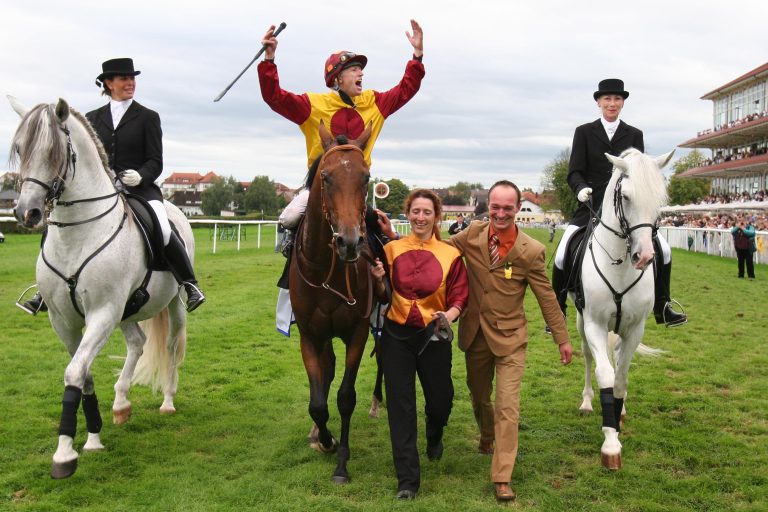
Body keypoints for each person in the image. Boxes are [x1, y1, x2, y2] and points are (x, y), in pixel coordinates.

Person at [19, 58, 205, 314]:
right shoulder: (92, 118)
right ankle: (45, 291)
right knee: (56, 226)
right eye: (124, 79)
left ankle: (189, 283)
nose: (130, 83)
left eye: (132, 78)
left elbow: (155, 161)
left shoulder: (148, 117)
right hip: (100, 191)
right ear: (108, 83)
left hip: (140, 189)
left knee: (163, 227)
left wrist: (140, 176)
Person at [446, 180, 572, 502]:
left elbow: (546, 297)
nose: (501, 213)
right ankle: (486, 434)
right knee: (479, 398)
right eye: (495, 207)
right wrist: (397, 243)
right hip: (475, 335)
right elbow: (440, 252)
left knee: (507, 407)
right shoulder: (472, 235)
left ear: (517, 208)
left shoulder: (531, 250)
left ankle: (502, 476)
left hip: (511, 339)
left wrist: (562, 338)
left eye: (507, 208)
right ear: (487, 206)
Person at [550, 78, 686, 331]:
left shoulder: (634, 134)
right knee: (561, 251)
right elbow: (574, 171)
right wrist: (580, 189)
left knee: (664, 250)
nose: (612, 103)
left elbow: (640, 174)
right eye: (607, 99)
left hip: (627, 208)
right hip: (591, 205)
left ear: (622, 102)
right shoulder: (584, 132)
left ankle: (662, 305)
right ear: (598, 102)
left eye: (617, 99)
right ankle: (558, 309)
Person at [370, 189, 468, 500]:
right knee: (401, 407)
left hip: (433, 336)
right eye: (415, 211)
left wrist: (449, 315)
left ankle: (435, 432)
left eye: (427, 212)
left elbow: (460, 296)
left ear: (436, 216)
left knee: (440, 402)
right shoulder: (391, 250)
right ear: (408, 214)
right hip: (396, 337)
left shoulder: (451, 254)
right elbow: (383, 296)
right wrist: (378, 279)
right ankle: (407, 481)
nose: (420, 217)